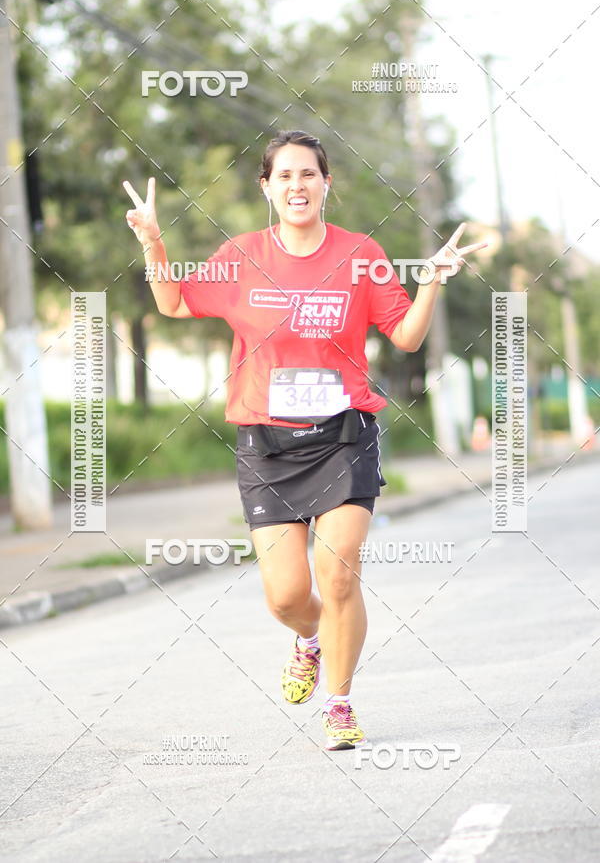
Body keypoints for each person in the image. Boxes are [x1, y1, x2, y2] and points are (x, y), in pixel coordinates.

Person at [123, 130, 487, 751]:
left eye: (308, 175)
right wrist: (154, 240)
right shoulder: (240, 256)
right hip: (266, 445)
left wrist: (432, 283)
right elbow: (176, 303)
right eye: (284, 176)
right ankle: (310, 639)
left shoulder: (361, 254)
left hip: (344, 437)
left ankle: (340, 702)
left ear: (326, 184)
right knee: (288, 595)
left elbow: (404, 337)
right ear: (267, 187)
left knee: (339, 573)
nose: (297, 185)